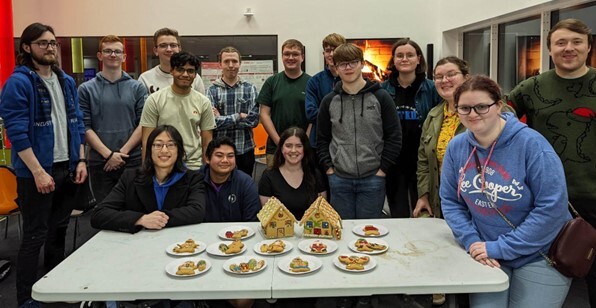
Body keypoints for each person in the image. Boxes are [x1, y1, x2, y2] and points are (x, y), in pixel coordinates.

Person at [440, 75, 572, 307]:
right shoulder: (457, 147)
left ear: (499, 105)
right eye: (464, 108)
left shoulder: (532, 145)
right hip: (486, 252)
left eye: (482, 106)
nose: (473, 114)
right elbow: (451, 201)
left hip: (539, 254)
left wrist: (502, 246)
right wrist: (472, 242)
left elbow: (552, 208)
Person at [506, 18, 596, 306]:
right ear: (549, 49)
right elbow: (501, 120)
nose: (568, 48)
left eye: (576, 42)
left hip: (594, 196)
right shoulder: (530, 88)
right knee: (546, 274)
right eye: (560, 43)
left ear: (588, 46)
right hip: (547, 200)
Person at [0, 22, 88, 307]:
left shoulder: (65, 81)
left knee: (58, 231)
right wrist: (38, 171)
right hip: (35, 172)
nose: (50, 47)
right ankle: (26, 298)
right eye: (42, 43)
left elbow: (77, 124)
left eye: (52, 43)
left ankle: (54, 287)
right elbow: (15, 132)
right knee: (34, 236)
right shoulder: (19, 82)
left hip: (67, 167)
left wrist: (81, 158)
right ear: (26, 47)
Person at [317, 43, 401, 219]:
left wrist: (383, 169)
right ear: (335, 67)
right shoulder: (329, 101)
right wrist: (329, 168)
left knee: (369, 232)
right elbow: (322, 139)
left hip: (373, 178)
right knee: (342, 231)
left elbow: (394, 136)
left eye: (352, 62)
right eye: (342, 64)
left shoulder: (381, 97)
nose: (348, 68)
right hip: (339, 179)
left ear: (362, 64)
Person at [91, 125, 206, 233]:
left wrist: (158, 220)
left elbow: (197, 212)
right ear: (149, 150)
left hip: (179, 241)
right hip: (137, 244)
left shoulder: (193, 179)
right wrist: (141, 219)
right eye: (158, 145)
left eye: (171, 145)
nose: (164, 150)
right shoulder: (130, 177)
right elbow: (99, 215)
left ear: (179, 150)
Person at [78, 35, 148, 203]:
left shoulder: (137, 87)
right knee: (106, 211)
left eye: (117, 51)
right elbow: (84, 126)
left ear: (124, 57)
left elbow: (143, 124)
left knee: (134, 209)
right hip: (100, 161)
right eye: (108, 51)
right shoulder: (85, 89)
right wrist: (108, 155)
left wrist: (121, 154)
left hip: (131, 160)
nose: (113, 55)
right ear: (100, 55)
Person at [381, 38, 441, 219]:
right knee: (397, 211)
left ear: (418, 59)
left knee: (423, 211)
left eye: (409, 55)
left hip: (422, 161)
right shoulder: (383, 90)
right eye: (399, 55)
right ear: (393, 60)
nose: (404, 59)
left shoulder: (432, 89)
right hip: (393, 161)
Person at [414, 56, 470, 220]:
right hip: (441, 199)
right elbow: (423, 160)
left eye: (451, 74)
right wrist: (423, 195)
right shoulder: (433, 116)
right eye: (438, 77)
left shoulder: (486, 112)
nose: (444, 80)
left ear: (466, 77)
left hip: (475, 202)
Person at [140, 51, 216, 170]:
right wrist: (146, 170)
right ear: (172, 71)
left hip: (193, 165)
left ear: (195, 74)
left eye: (190, 71)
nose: (185, 74)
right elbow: (147, 140)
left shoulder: (203, 102)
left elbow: (207, 142)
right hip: (163, 164)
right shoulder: (154, 100)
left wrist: (207, 170)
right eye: (180, 69)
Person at [206, 46, 259, 176]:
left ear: (240, 63)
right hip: (219, 152)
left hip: (244, 150)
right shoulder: (211, 91)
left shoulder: (250, 89)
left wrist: (222, 119)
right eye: (226, 61)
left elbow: (254, 121)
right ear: (220, 64)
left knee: (244, 189)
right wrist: (239, 116)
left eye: (234, 61)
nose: (231, 65)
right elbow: (212, 123)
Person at [258, 39, 310, 167]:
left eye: (295, 54)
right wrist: (279, 142)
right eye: (287, 54)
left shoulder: (312, 83)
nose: (290, 57)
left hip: (302, 149)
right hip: (275, 148)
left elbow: (314, 118)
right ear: (282, 57)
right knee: (274, 185)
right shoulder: (271, 82)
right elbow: (264, 114)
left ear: (302, 57)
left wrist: (304, 142)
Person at [259, 127, 326, 218]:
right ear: (281, 149)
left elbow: (322, 212)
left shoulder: (315, 174)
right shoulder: (268, 176)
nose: (293, 150)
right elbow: (267, 216)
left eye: (299, 146)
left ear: (305, 149)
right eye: (288, 146)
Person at [203, 136, 260, 223]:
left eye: (230, 156)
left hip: (236, 234)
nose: (225, 160)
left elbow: (252, 220)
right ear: (207, 158)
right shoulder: (195, 180)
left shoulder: (245, 182)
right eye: (219, 156)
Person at [305, 33, 346, 148]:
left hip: (346, 143)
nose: (332, 54)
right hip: (320, 142)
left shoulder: (352, 80)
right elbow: (310, 114)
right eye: (328, 51)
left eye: (336, 50)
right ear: (324, 54)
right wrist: (343, 114)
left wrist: (324, 112)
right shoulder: (314, 81)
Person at [138, 27, 205, 94]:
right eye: (163, 45)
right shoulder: (145, 79)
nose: (169, 49)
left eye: (173, 45)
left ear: (179, 49)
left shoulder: (194, 79)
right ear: (155, 51)